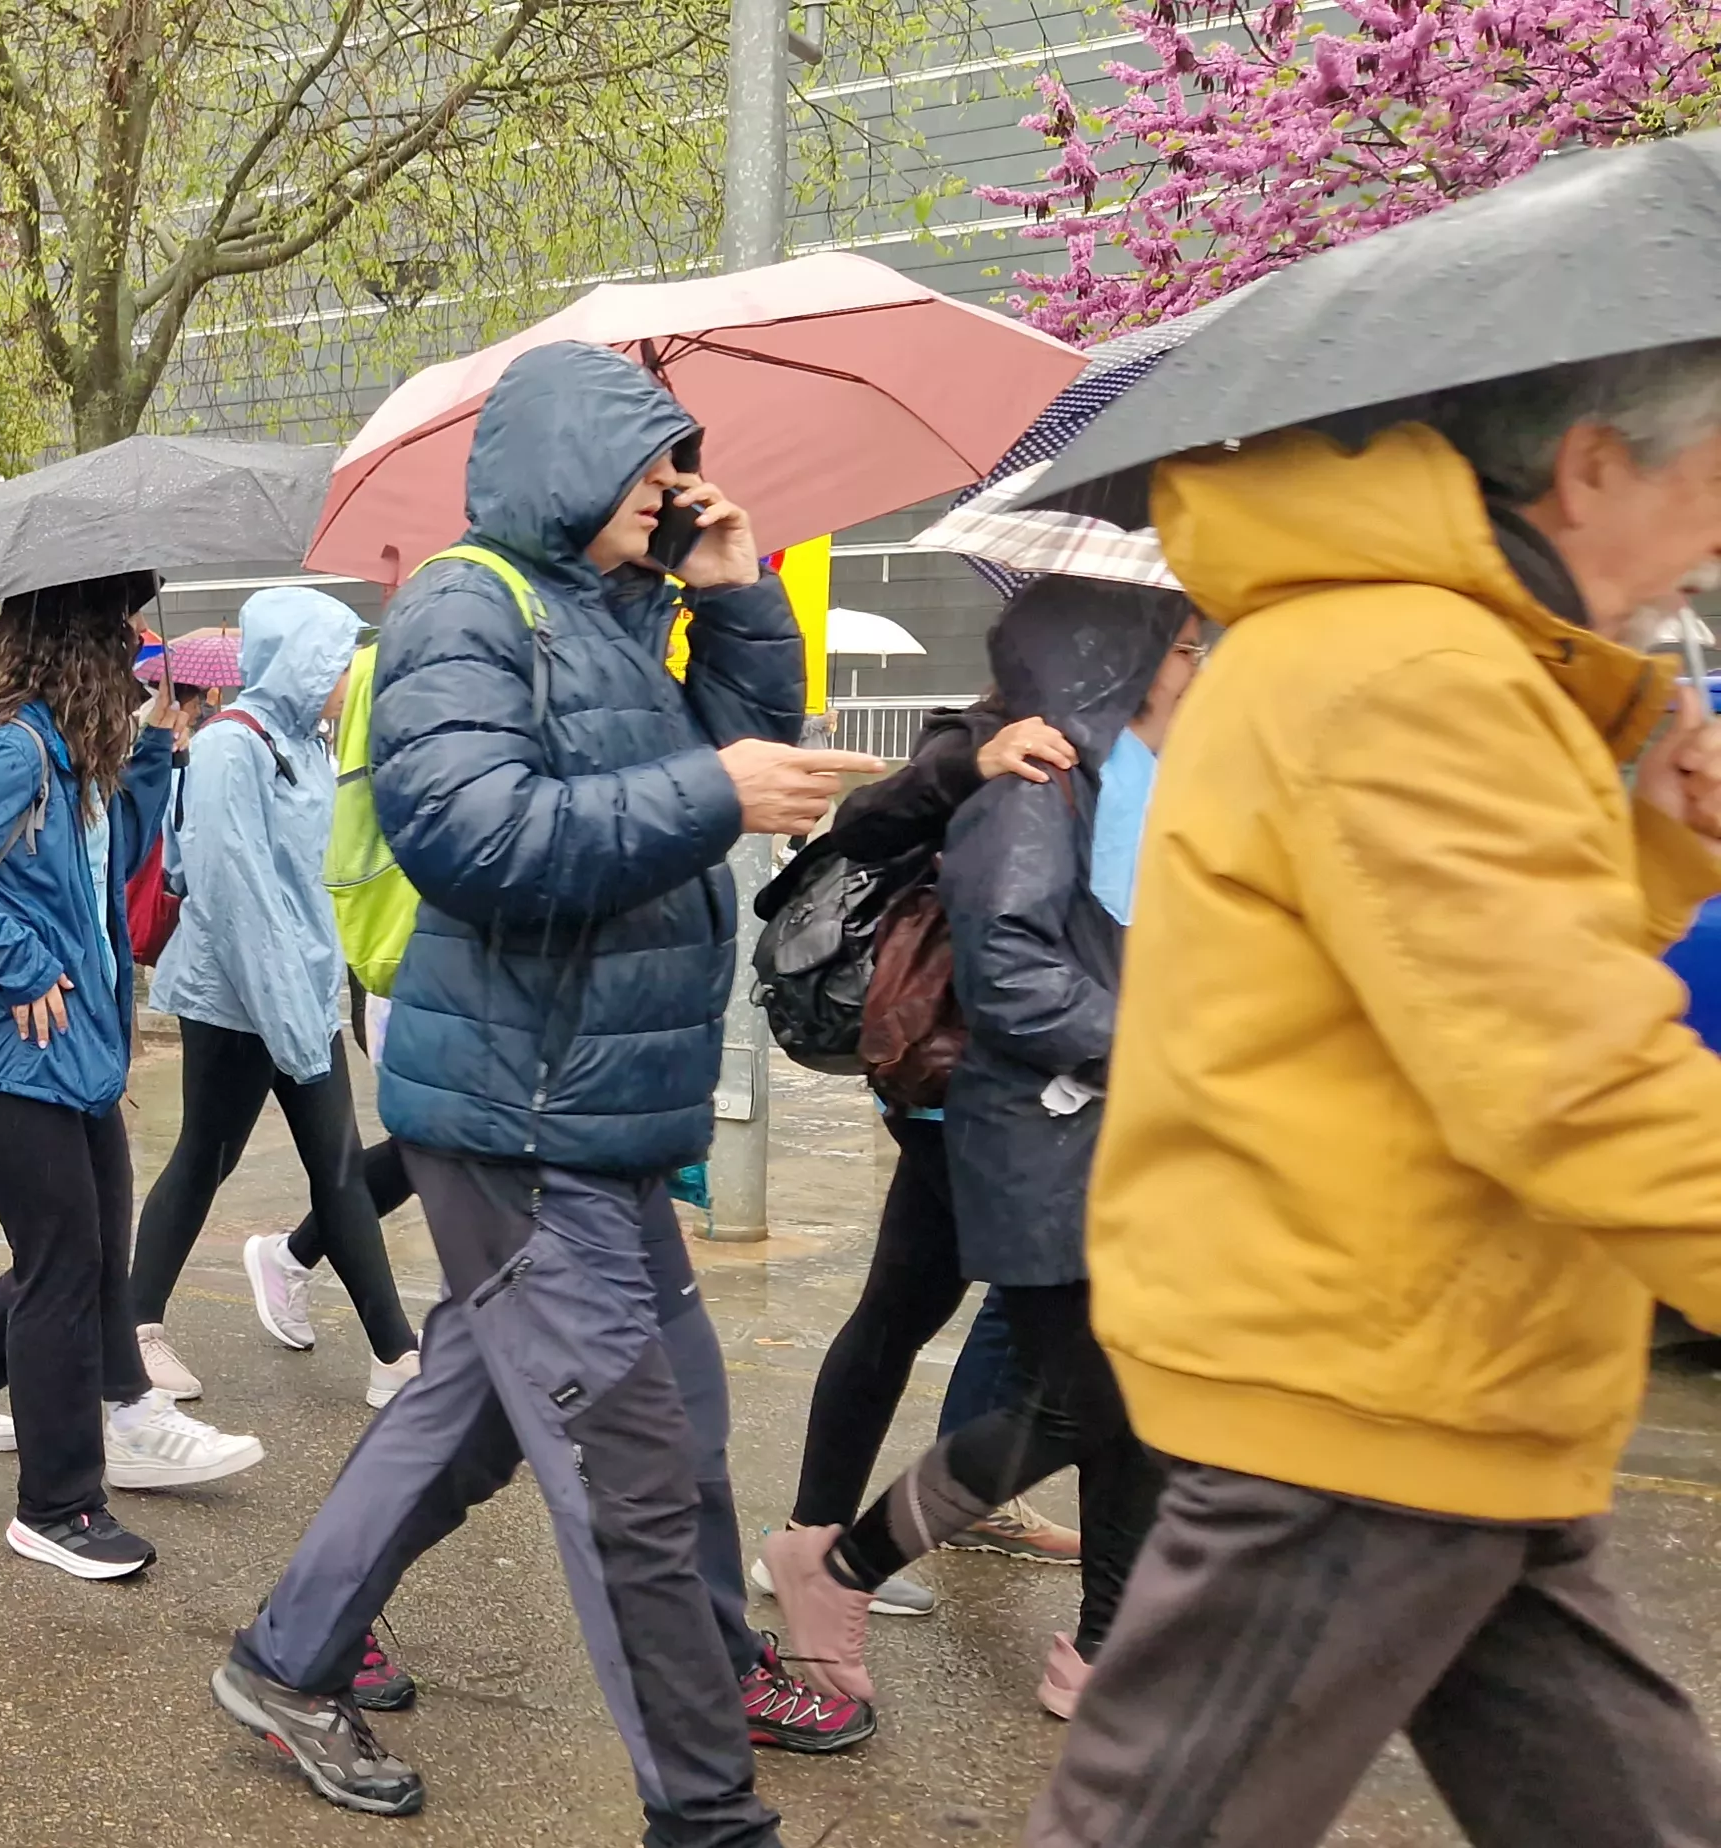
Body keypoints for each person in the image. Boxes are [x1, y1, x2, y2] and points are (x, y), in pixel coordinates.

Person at [1030, 351, 1721, 1843]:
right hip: (1363, 1390)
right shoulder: (1418, 672)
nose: (1718, 534)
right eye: (1714, 478)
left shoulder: (1426, 658)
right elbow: (1575, 1075)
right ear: (1594, 466)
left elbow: (1443, 992)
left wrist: (1656, 836)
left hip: (1440, 1374)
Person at [209, 341, 874, 1838]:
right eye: (653, 461)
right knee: (636, 1463)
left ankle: (290, 1655)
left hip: (595, 1109)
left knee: (510, 1408)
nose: (670, 485)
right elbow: (475, 833)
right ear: (576, 460)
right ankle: (708, 1810)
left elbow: (740, 757)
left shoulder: (620, 614)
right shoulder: (467, 598)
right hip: (524, 1114)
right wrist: (717, 792)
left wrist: (737, 589)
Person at [761, 581, 1198, 1728]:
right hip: (973, 1090)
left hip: (1062, 1106)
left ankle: (1089, 1641)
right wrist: (973, 764)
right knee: (1070, 1382)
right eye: (1185, 642)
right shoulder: (1011, 740)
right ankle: (831, 1552)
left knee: (1044, 1361)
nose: (1199, 663)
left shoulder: (1143, 757)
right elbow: (876, 844)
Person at [0, 570, 267, 1582]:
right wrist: (9, 958)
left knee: (86, 1260)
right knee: (62, 1267)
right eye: (119, 630)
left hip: (74, 1055)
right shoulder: (10, 751)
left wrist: (146, 762)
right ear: (75, 642)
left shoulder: (70, 752)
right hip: (5, 1057)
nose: (137, 645)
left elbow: (108, 888)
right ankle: (57, 1504)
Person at [126, 587, 420, 1412]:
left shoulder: (305, 744)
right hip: (235, 998)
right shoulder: (231, 746)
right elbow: (230, 891)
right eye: (333, 660)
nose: (344, 677)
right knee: (206, 1158)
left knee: (329, 1167)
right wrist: (294, 1016)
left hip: (298, 994)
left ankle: (395, 1353)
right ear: (300, 661)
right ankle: (136, 1325)